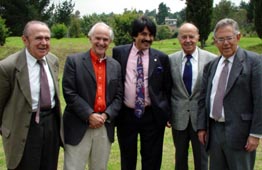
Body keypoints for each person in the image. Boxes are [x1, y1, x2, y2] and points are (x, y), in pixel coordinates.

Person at [197, 18, 262, 170]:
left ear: (238, 37)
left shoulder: (254, 62)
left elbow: (260, 99)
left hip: (241, 133)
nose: (225, 43)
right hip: (214, 131)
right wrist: (202, 127)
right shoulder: (211, 66)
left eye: (229, 38)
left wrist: (256, 134)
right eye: (220, 39)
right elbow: (203, 99)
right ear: (215, 41)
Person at [0, 20, 63, 170]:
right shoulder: (8, 67)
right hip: (24, 128)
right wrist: (7, 130)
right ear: (25, 40)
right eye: (38, 38)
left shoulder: (53, 61)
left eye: (47, 38)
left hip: (51, 125)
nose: (44, 43)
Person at [112, 16, 172, 170]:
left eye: (151, 35)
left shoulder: (161, 58)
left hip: (152, 116)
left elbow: (167, 87)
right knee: (127, 158)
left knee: (152, 159)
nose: (148, 38)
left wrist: (167, 113)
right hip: (126, 116)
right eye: (144, 34)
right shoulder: (119, 52)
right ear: (134, 35)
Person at [62, 22, 122, 170]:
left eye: (105, 39)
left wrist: (106, 115)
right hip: (79, 125)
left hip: (104, 125)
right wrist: (89, 115)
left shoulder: (116, 66)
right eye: (98, 38)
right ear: (90, 38)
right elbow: (69, 92)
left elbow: (119, 96)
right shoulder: (73, 61)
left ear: (110, 41)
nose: (101, 43)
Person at [168, 22, 216, 170]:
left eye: (191, 36)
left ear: (198, 37)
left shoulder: (212, 59)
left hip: (201, 120)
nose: (187, 40)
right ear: (178, 38)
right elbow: (167, 89)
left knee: (202, 159)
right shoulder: (170, 60)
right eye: (184, 37)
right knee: (180, 158)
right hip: (178, 118)